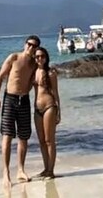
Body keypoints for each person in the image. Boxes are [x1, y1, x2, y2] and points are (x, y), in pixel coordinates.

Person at [0, 34, 41, 188]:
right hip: (10, 99)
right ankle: (6, 173)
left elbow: (37, 82)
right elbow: (0, 76)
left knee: (24, 136)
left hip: (24, 100)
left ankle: (20, 170)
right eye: (29, 44)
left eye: (34, 46)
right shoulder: (14, 57)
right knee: (7, 136)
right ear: (24, 44)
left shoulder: (34, 64)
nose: (31, 48)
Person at [33, 47, 60, 179]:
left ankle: (51, 170)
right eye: (37, 56)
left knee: (50, 140)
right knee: (41, 141)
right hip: (37, 109)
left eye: (42, 56)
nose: (40, 59)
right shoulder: (33, 72)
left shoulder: (51, 73)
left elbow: (55, 92)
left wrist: (59, 111)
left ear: (46, 57)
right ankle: (45, 168)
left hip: (49, 106)